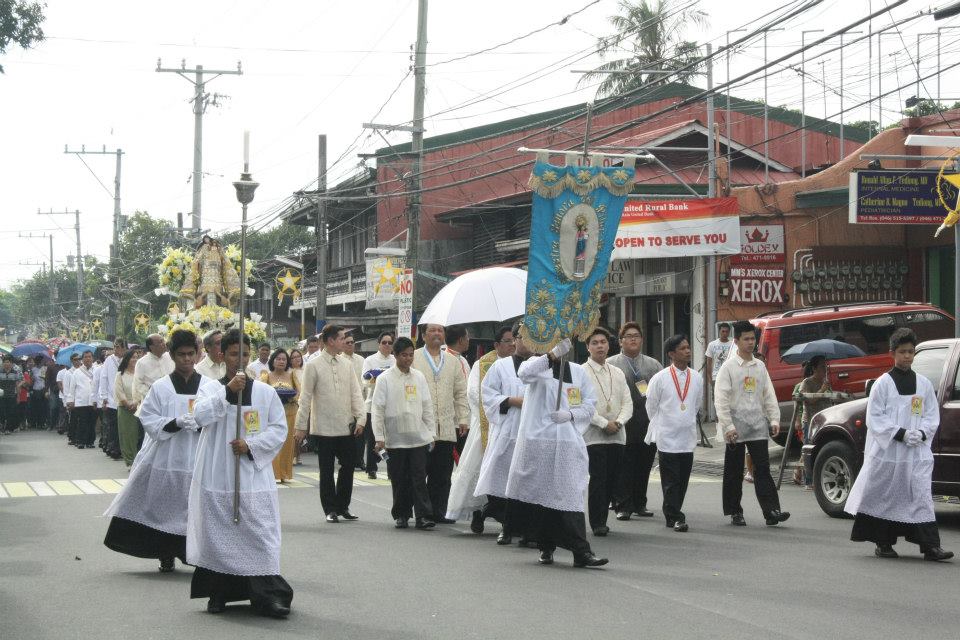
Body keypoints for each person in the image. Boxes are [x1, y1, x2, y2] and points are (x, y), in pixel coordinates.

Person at [188, 328, 292, 617]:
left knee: (260, 532)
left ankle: (268, 594)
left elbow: (278, 429)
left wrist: (251, 444)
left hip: (253, 473)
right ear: (223, 355)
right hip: (219, 472)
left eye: (245, 354)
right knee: (220, 532)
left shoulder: (266, 392)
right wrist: (228, 391)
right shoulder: (210, 387)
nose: (241, 359)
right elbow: (198, 416)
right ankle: (219, 593)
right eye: (235, 354)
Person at [104, 329, 213, 572]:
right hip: (168, 453)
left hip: (198, 454)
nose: (186, 359)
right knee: (166, 505)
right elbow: (149, 418)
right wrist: (175, 423)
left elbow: (217, 416)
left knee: (193, 507)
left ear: (197, 355)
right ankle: (165, 553)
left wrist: (201, 423)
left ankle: (194, 554)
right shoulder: (161, 387)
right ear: (172, 356)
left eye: (190, 354)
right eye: (181, 355)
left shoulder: (209, 386)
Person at [845, 328, 953, 562]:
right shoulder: (882, 384)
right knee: (887, 495)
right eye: (902, 352)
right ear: (892, 353)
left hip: (916, 452)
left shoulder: (923, 384)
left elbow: (931, 414)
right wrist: (901, 433)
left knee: (921, 496)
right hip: (890, 452)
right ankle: (883, 542)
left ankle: (930, 546)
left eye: (911, 352)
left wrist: (922, 433)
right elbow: (876, 418)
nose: (907, 357)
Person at [506, 337, 607, 568]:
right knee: (543, 495)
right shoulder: (538, 366)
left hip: (568, 442)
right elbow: (524, 374)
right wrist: (550, 356)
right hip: (540, 441)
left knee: (570, 494)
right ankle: (546, 546)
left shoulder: (578, 372)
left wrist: (571, 415)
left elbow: (590, 404)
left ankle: (581, 552)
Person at [715, 320, 789, 527]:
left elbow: (768, 394)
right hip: (735, 428)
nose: (750, 343)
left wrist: (774, 418)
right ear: (736, 341)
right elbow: (720, 399)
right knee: (734, 470)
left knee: (763, 469)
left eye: (752, 339)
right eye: (746, 339)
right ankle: (734, 511)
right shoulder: (728, 368)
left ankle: (771, 511)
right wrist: (727, 427)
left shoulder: (760, 366)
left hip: (757, 425)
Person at [294, 324, 365, 523]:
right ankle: (330, 509)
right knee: (326, 470)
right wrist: (301, 427)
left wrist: (361, 417)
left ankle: (343, 506)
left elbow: (356, 393)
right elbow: (305, 397)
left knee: (349, 466)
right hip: (323, 428)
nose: (345, 341)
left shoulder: (347, 364)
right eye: (342, 338)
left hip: (346, 425)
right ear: (331, 341)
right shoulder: (313, 365)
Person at [447, 325, 514, 530]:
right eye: (507, 341)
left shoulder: (520, 363)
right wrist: (496, 410)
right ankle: (478, 511)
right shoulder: (483, 364)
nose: (512, 345)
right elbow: (474, 393)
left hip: (513, 424)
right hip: (487, 423)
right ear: (496, 344)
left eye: (514, 340)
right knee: (478, 468)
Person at [475, 323, 534, 544]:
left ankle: (528, 529)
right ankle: (507, 527)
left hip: (531, 433)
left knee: (526, 483)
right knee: (504, 483)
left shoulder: (542, 366)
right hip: (507, 431)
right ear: (515, 340)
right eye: (521, 337)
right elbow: (488, 395)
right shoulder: (500, 367)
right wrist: (511, 401)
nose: (525, 342)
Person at [371, 336, 437, 529]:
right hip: (395, 439)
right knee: (399, 478)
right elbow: (377, 409)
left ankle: (423, 516)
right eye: (404, 355)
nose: (408, 359)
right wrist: (379, 437)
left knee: (419, 477)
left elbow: (427, 405)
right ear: (395, 355)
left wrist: (431, 433)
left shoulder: (419, 377)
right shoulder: (384, 379)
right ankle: (401, 514)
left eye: (410, 355)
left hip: (418, 437)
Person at [646, 335, 703, 532]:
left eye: (688, 347)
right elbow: (651, 406)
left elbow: (696, 404)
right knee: (670, 479)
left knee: (683, 478)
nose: (688, 351)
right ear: (671, 354)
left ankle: (673, 510)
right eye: (682, 348)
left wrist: (684, 419)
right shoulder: (660, 378)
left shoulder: (696, 377)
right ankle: (675, 516)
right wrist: (665, 423)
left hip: (686, 435)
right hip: (667, 435)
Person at [413, 323, 469, 523]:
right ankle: (423, 512)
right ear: (423, 335)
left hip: (446, 425)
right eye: (432, 331)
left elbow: (460, 392)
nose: (437, 334)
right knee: (420, 472)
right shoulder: (415, 357)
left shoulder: (453, 361)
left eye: (440, 331)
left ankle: (439, 511)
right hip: (421, 427)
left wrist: (463, 418)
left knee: (443, 473)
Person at [606, 322, 662, 520]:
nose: (632, 339)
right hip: (622, 422)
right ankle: (623, 505)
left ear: (642, 339)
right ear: (620, 341)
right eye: (628, 336)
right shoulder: (611, 363)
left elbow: (661, 393)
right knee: (623, 467)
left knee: (643, 465)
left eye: (636, 335)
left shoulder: (653, 364)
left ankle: (640, 503)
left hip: (646, 422)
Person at [582, 327, 633, 536]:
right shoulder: (580, 372)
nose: (600, 346)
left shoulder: (617, 372)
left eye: (603, 342)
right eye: (595, 342)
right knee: (598, 480)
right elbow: (579, 404)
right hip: (594, 437)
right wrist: (604, 423)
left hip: (617, 436)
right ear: (587, 347)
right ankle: (597, 522)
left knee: (613, 479)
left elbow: (627, 403)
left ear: (609, 344)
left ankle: (603, 517)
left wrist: (619, 422)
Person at [260, 349, 299, 484]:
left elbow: (298, 392)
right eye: (278, 359)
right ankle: (273, 473)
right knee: (272, 442)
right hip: (272, 416)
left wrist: (292, 398)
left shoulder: (292, 375)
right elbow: (262, 395)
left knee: (287, 444)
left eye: (284, 359)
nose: (281, 361)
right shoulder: (267, 377)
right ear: (273, 361)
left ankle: (284, 473)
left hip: (289, 414)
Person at [792, 356, 831, 488]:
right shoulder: (807, 383)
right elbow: (808, 400)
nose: (824, 370)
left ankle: (820, 477)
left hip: (824, 421)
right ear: (814, 368)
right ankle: (808, 480)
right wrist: (822, 390)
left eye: (825, 367)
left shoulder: (825, 383)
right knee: (809, 450)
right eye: (821, 367)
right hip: (810, 420)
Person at [361, 332, 396, 480]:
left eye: (389, 342)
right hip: (372, 405)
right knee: (374, 439)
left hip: (392, 405)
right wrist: (378, 378)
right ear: (379, 344)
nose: (387, 345)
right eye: (384, 342)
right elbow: (365, 381)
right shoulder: (370, 360)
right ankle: (371, 468)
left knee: (390, 440)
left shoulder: (395, 360)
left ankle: (391, 469)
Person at [114, 347, 145, 467]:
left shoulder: (139, 375)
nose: (135, 360)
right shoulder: (120, 375)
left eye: (137, 358)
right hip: (125, 408)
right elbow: (119, 391)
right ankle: (130, 460)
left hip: (138, 406)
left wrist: (136, 402)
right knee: (127, 435)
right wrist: (127, 403)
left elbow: (141, 390)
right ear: (127, 359)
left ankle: (139, 460)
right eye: (132, 357)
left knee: (140, 434)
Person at [342, 333, 369, 472]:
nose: (350, 344)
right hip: (345, 402)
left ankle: (360, 460)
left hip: (360, 400)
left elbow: (365, 380)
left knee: (360, 434)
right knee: (347, 434)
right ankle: (348, 460)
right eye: (347, 342)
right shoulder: (339, 360)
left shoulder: (361, 360)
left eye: (352, 342)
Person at [99, 338, 127, 460]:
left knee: (123, 427)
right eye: (115, 346)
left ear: (124, 348)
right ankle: (113, 448)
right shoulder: (109, 360)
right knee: (112, 426)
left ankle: (122, 449)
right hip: (111, 398)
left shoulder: (128, 359)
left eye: (119, 347)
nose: (116, 349)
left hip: (125, 398)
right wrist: (104, 397)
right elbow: (103, 378)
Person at [68, 351, 98, 449]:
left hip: (93, 401)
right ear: (82, 359)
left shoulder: (97, 370)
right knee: (82, 422)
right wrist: (70, 400)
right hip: (81, 401)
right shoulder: (77, 372)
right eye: (85, 357)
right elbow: (72, 388)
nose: (87, 359)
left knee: (91, 423)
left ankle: (90, 441)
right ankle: (80, 441)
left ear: (92, 358)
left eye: (89, 357)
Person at [134, 334, 175, 407]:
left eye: (163, 340)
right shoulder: (141, 363)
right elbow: (138, 384)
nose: (164, 343)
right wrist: (152, 393)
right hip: (152, 403)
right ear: (151, 347)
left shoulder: (171, 357)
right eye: (160, 342)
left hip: (172, 400)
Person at [288, 349, 305, 466]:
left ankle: (298, 454)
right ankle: (294, 455)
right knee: (295, 431)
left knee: (302, 432)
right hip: (294, 403)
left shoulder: (306, 369)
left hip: (306, 403)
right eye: (293, 357)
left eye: (298, 356)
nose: (296, 359)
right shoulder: (288, 372)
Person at [61, 353, 81, 442]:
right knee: (73, 419)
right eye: (75, 359)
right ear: (72, 361)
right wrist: (67, 402)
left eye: (78, 359)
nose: (77, 361)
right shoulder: (68, 373)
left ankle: (79, 436)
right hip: (72, 400)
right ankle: (72, 437)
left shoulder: (82, 371)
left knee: (80, 420)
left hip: (81, 400)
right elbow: (66, 390)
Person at [0, 357, 21, 434]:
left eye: (8, 362)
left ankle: (8, 429)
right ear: (3, 363)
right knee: (2, 412)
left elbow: (17, 385)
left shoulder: (15, 373)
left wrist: (18, 396)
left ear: (11, 364)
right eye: (5, 362)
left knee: (10, 412)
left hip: (11, 396)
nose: (6, 363)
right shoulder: (0, 372)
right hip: (1, 396)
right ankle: (2, 427)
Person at [29, 355, 47, 429]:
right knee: (36, 407)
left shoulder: (45, 369)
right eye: (39, 361)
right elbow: (30, 382)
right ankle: (35, 422)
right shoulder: (33, 370)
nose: (41, 363)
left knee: (43, 407)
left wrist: (44, 378)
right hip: (36, 390)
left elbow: (48, 379)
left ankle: (42, 423)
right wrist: (32, 378)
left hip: (43, 389)